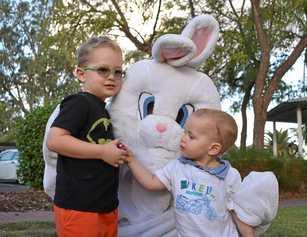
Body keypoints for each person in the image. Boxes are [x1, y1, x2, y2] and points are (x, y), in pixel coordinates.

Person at [124, 108, 255, 237]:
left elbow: (238, 213)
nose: (183, 138)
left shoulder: (229, 176)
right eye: (184, 132)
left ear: (213, 148)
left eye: (191, 136)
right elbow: (151, 183)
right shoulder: (177, 167)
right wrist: (131, 160)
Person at [47, 36, 127, 237]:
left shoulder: (104, 109)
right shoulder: (79, 103)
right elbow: (55, 140)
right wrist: (102, 151)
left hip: (104, 205)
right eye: (103, 70)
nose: (112, 77)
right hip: (79, 206)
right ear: (81, 74)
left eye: (118, 72)